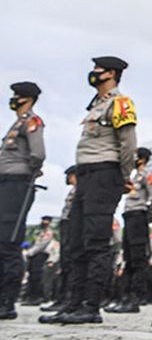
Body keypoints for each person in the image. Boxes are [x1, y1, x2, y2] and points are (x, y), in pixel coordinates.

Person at [41, 57, 137, 325]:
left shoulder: (120, 103)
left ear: (112, 74)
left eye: (99, 70)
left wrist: (123, 176)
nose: (93, 73)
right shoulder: (96, 105)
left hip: (105, 174)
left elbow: (128, 144)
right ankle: (73, 303)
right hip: (86, 175)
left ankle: (91, 306)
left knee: (95, 242)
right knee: (76, 242)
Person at [1, 81, 45, 320]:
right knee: (0, 242)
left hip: (18, 184)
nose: (14, 99)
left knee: (9, 241)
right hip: (5, 184)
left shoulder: (32, 121)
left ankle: (8, 302)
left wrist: (27, 173)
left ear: (28, 99)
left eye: (18, 96)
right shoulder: (16, 123)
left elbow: (38, 154)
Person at [108, 146, 152, 312]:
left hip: (138, 215)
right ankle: (125, 297)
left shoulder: (146, 174)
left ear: (142, 159)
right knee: (128, 257)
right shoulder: (132, 175)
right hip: (128, 216)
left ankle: (135, 298)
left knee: (138, 258)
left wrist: (151, 211)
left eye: (136, 156)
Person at [42, 167, 77, 315]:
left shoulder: (79, 189)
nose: (67, 179)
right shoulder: (73, 190)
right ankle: (61, 298)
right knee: (65, 263)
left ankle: (66, 298)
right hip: (66, 223)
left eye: (69, 176)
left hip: (71, 224)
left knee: (69, 262)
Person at [22, 216, 55, 306]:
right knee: (32, 275)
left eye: (46, 221)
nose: (44, 222)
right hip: (34, 255)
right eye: (43, 220)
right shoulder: (39, 232)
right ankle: (31, 296)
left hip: (41, 255)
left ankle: (37, 297)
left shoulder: (49, 232)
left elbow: (41, 245)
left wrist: (29, 253)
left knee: (37, 276)